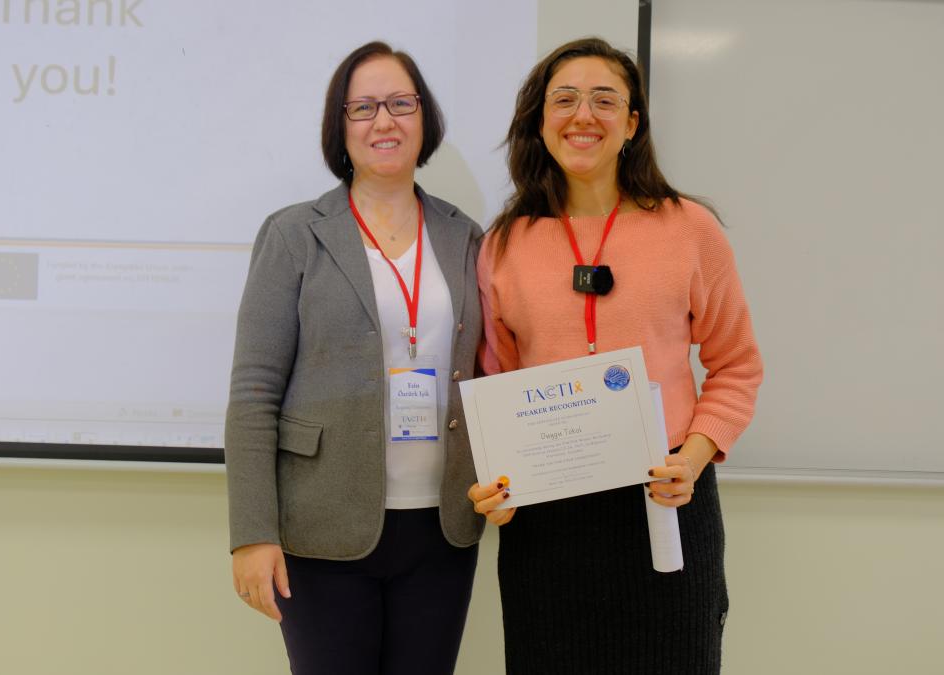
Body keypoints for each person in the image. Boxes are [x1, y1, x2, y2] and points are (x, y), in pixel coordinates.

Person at [467, 37, 764, 674]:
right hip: (548, 525)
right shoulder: (505, 245)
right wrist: (498, 482)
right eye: (565, 100)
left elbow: (737, 366)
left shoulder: (690, 230)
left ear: (631, 124)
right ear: (540, 122)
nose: (584, 115)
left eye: (605, 100)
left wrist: (692, 460)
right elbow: (498, 382)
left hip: (667, 505)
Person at [224, 41, 485, 675]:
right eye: (363, 107)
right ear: (339, 126)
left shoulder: (464, 235)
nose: (383, 121)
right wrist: (253, 533)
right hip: (322, 527)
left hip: (442, 529)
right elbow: (255, 391)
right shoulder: (294, 234)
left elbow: (490, 370)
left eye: (401, 104)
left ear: (425, 118)